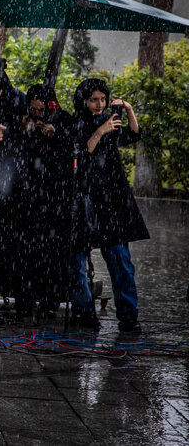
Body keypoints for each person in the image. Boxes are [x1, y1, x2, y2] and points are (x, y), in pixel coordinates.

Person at [70, 78, 147, 333]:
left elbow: (134, 136)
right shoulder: (78, 123)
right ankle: (84, 314)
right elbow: (82, 152)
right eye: (94, 100)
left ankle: (128, 316)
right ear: (84, 101)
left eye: (103, 99)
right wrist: (100, 130)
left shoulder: (111, 122)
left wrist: (128, 110)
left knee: (120, 259)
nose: (99, 104)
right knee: (78, 260)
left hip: (112, 201)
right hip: (87, 199)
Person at [12, 84, 72, 321]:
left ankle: (49, 304)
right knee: (26, 254)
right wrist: (23, 131)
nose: (37, 114)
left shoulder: (63, 120)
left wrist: (55, 134)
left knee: (53, 256)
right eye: (33, 109)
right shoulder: (25, 122)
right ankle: (24, 303)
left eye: (41, 109)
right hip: (28, 199)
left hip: (55, 198)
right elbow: (17, 153)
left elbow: (73, 147)